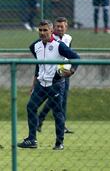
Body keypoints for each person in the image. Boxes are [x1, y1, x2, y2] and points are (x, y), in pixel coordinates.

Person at [17, 20, 80, 150]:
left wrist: (71, 71)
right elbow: (39, 65)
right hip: (41, 85)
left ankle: (59, 143)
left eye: (45, 30)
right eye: (40, 30)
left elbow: (76, 57)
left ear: (52, 31)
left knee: (57, 112)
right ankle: (32, 139)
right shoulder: (35, 46)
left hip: (56, 84)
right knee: (30, 107)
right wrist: (34, 83)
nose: (42, 33)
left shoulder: (59, 46)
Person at [36, 17, 74, 134]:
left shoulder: (68, 38)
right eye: (57, 26)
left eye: (62, 26)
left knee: (62, 100)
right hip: (52, 74)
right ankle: (41, 119)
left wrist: (70, 69)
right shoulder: (50, 39)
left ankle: (54, 123)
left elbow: (69, 55)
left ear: (66, 27)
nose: (59, 28)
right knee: (55, 99)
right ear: (53, 29)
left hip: (64, 72)